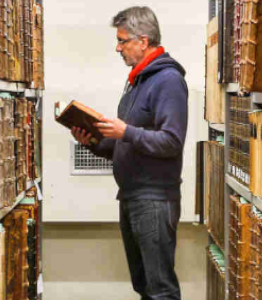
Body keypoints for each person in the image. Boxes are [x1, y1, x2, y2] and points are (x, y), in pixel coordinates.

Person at [72, 6, 188, 300]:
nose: (118, 47)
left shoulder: (168, 81)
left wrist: (126, 132)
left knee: (160, 289)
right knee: (144, 285)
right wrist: (92, 141)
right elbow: (130, 143)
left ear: (143, 41)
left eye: (123, 41)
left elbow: (171, 142)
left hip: (154, 199)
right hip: (133, 196)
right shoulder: (138, 81)